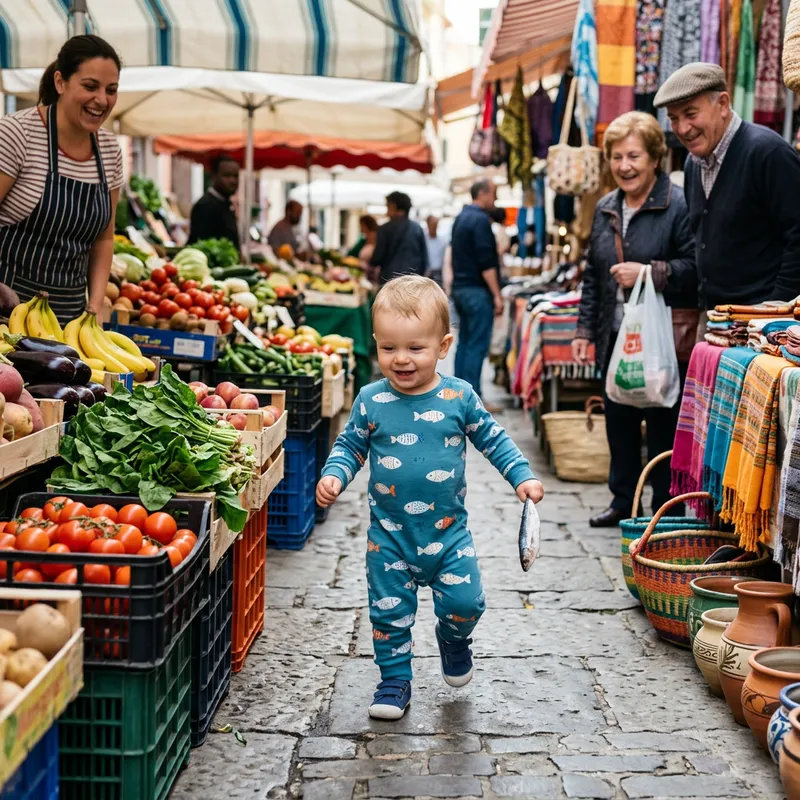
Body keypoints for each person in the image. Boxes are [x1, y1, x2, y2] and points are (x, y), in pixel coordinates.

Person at [315, 275, 544, 720]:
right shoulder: (370, 400)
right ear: (376, 344)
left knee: (467, 603)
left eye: (415, 348)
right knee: (388, 615)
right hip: (390, 537)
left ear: (443, 346)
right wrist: (334, 475)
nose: (401, 359)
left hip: (448, 535)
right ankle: (394, 681)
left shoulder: (459, 397)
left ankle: (454, 639)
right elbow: (349, 446)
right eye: (388, 348)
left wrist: (521, 477)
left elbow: (494, 439)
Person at [572, 111, 698, 528]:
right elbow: (593, 275)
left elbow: (696, 267)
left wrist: (648, 272)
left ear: (655, 158)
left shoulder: (677, 203)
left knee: (662, 423)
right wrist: (584, 330)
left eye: (634, 156)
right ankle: (623, 501)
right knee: (619, 420)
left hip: (662, 339)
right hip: (615, 335)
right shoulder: (606, 206)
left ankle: (665, 507)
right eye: (617, 157)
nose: (624, 166)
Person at [654, 62, 800, 315]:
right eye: (674, 119)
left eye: (691, 114)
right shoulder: (693, 163)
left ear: (722, 104)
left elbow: (798, 238)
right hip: (717, 318)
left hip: (762, 322)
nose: (682, 128)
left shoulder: (767, 152)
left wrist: (775, 309)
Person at [0, 35, 123, 324]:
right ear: (60, 82)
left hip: (70, 317)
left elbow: (104, 238)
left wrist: (94, 307)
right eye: (90, 86)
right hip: (6, 311)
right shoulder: (17, 134)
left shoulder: (109, 150)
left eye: (111, 90)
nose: (102, 100)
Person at [450, 180, 503, 405]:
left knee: (464, 343)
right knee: (476, 346)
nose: (495, 199)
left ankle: (458, 397)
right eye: (493, 194)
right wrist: (497, 295)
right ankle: (473, 401)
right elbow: (486, 263)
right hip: (476, 291)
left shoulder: (461, 217)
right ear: (482, 193)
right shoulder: (480, 220)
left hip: (461, 289)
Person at [370, 191, 428, 284]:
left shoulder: (384, 229)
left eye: (387, 206)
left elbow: (377, 258)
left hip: (390, 281)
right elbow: (425, 260)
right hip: (413, 282)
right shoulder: (417, 228)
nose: (387, 211)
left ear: (393, 206)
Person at [188, 154, 240, 249]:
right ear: (214, 176)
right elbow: (200, 244)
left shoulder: (226, 203)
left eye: (236, 176)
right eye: (227, 175)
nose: (233, 181)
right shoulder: (205, 206)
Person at [424, 215, 448, 285]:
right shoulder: (423, 240)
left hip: (439, 272)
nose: (434, 227)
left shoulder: (443, 240)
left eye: (435, 225)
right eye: (432, 225)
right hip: (427, 272)